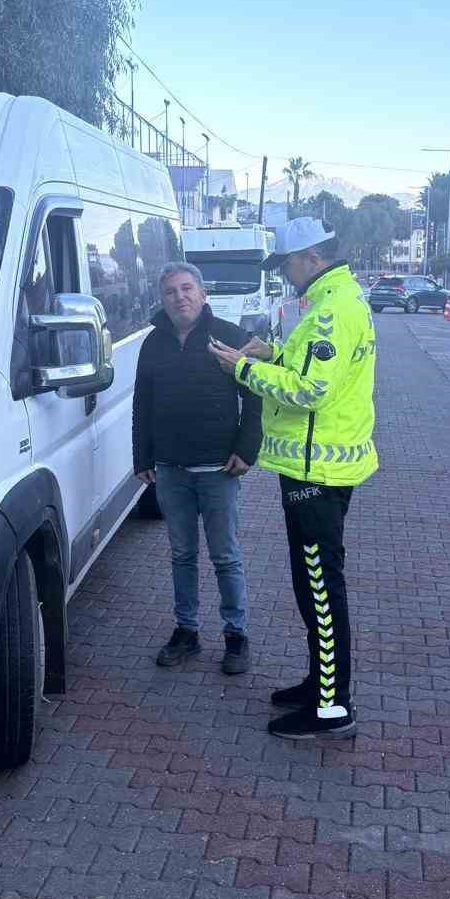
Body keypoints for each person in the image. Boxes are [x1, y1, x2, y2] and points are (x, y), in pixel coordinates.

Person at [210, 219, 378, 739]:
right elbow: (310, 371)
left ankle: (332, 707)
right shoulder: (335, 302)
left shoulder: (331, 311)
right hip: (314, 470)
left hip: (317, 475)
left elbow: (309, 392)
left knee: (321, 589)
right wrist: (273, 355)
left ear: (308, 257)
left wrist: (241, 369)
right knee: (314, 586)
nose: (283, 273)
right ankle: (320, 684)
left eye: (284, 263)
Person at [133, 262, 263, 675]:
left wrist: (247, 449)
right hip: (171, 470)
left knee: (225, 555)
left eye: (187, 288)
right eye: (170, 291)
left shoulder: (228, 336)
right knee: (182, 554)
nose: (180, 297)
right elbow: (142, 403)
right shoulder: (153, 344)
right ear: (163, 299)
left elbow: (255, 396)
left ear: (203, 294)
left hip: (218, 470)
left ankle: (235, 636)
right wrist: (142, 457)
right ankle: (186, 631)